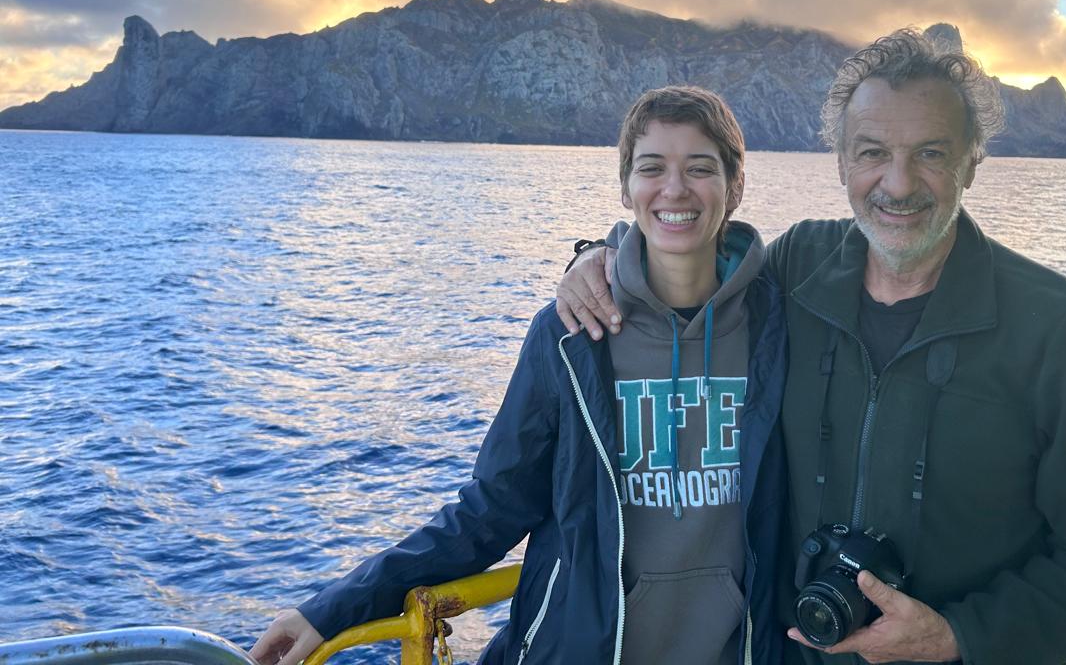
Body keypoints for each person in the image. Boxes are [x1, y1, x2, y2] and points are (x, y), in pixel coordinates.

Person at [558, 30, 1066, 665]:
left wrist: (957, 637)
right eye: (873, 152)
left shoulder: (1061, 325)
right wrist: (596, 259)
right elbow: (686, 267)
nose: (898, 184)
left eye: (931, 153)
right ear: (842, 163)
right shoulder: (797, 267)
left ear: (972, 161)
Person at [249, 85, 788, 665]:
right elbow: (493, 506)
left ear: (735, 185)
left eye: (699, 168)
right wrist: (334, 608)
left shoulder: (780, 327)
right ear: (625, 187)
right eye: (652, 167)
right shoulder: (570, 336)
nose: (674, 188)